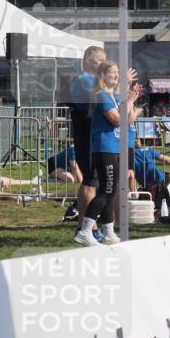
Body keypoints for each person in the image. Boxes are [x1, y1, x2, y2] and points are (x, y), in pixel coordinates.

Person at [75, 61, 143, 246]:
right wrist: (129, 102)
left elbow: (127, 122)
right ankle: (85, 230)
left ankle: (108, 232)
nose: (116, 75)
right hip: (104, 148)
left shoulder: (113, 96)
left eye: (117, 72)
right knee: (106, 190)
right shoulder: (102, 95)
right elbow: (116, 121)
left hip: (114, 147)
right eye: (112, 73)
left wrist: (131, 103)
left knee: (111, 191)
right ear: (102, 76)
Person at [67, 46, 106, 228]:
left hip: (92, 136)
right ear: (90, 60)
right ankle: (90, 227)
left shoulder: (90, 79)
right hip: (87, 137)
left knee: (91, 181)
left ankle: (84, 226)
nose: (104, 64)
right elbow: (104, 96)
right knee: (90, 181)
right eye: (101, 60)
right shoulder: (84, 79)